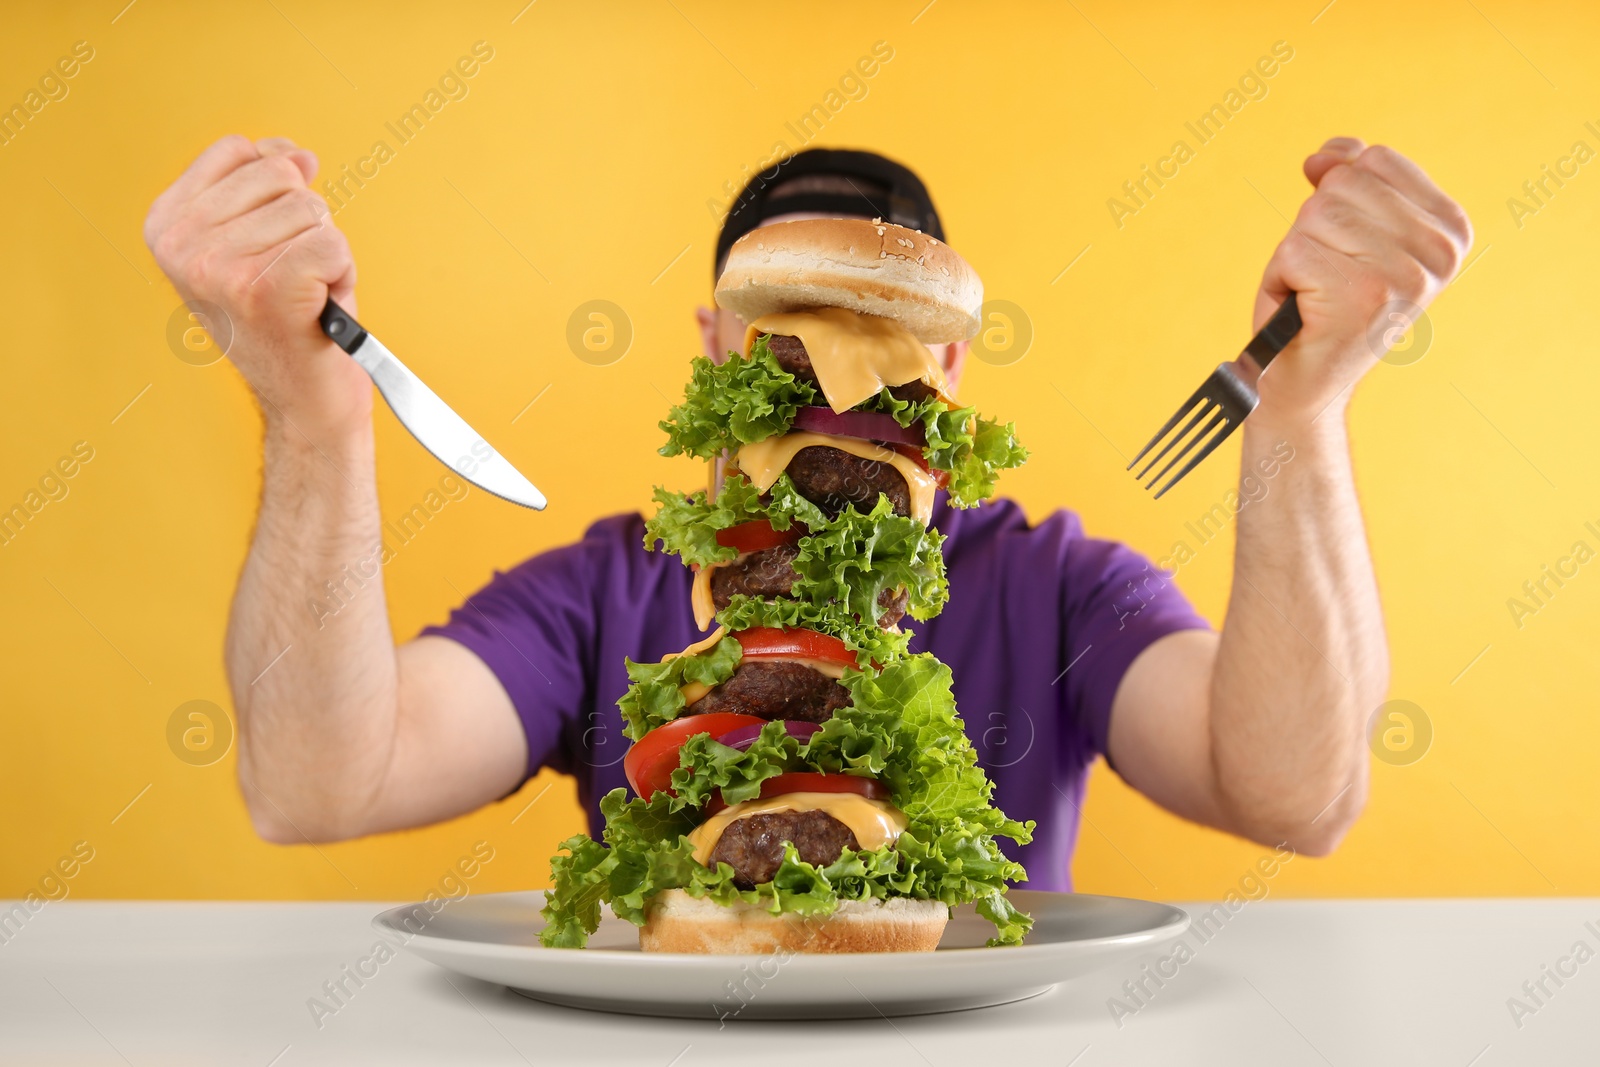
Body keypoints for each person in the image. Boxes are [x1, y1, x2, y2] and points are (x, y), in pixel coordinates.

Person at [144, 135, 1471, 888]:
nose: (831, 381)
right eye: (784, 337)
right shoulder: (602, 594)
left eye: (886, 339)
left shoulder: (1057, 585)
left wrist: (1300, 411)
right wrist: (310, 410)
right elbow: (317, 788)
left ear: (950, 365)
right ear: (714, 343)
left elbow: (1292, 795)